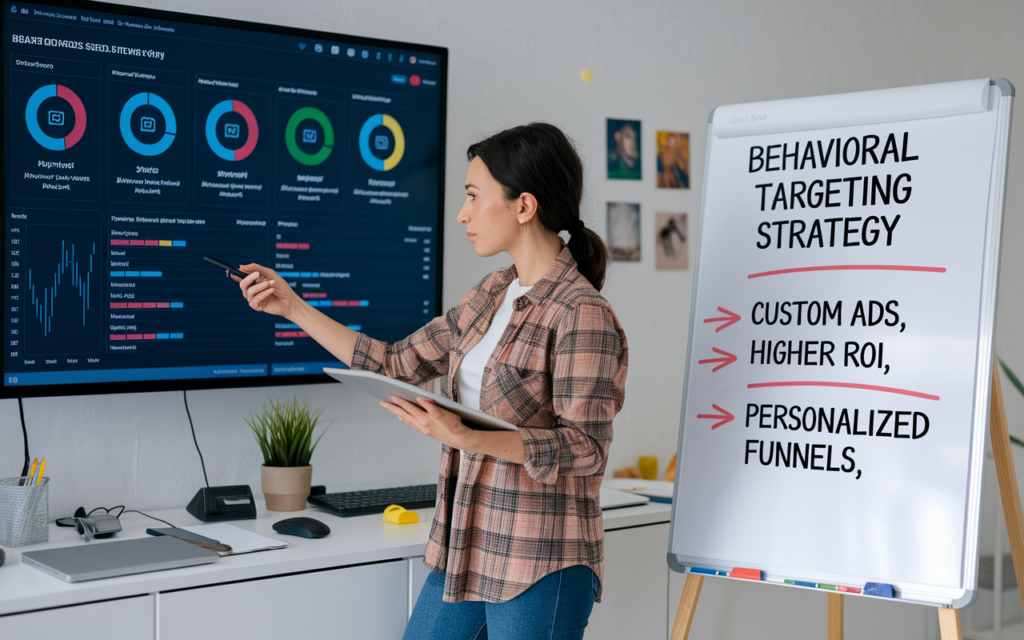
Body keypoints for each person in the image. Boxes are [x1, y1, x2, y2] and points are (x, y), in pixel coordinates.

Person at [235, 122, 628, 640]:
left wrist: (467, 438)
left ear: (524, 206)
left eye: (472, 196)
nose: (462, 213)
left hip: (540, 558)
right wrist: (293, 308)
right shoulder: (492, 293)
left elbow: (586, 449)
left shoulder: (582, 313)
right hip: (466, 545)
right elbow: (396, 362)